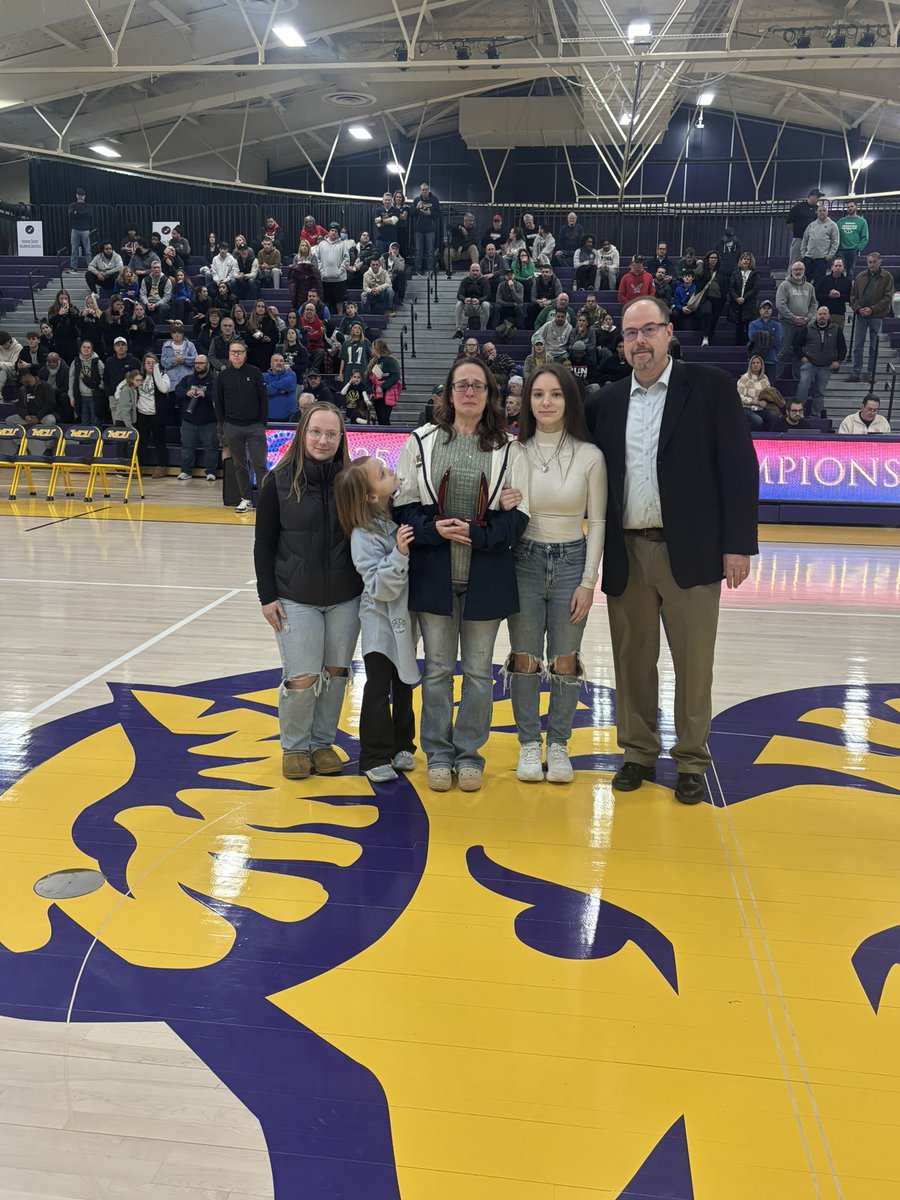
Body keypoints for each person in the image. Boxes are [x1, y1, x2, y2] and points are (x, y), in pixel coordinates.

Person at [588, 295, 759, 805]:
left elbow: (739, 467)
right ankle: (638, 752)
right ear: (621, 344)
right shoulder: (607, 401)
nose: (639, 341)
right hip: (627, 550)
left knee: (693, 662)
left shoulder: (709, 388)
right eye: (629, 334)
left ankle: (690, 758)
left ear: (668, 333)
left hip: (694, 551)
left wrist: (738, 546)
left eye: (648, 330)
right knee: (632, 660)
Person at [394, 356, 529, 793]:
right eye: (460, 385)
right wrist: (436, 529)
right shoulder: (420, 441)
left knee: (476, 672)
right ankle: (437, 752)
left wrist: (478, 533)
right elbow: (404, 506)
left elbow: (519, 520)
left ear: (490, 395)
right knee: (435, 670)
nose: (469, 392)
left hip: (485, 576)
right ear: (448, 394)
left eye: (478, 386)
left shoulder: (510, 450)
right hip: (434, 573)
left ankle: (469, 752)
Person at [506, 364, 607, 784]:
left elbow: (597, 523)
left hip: (571, 563)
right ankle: (530, 744)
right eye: (538, 395)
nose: (546, 403)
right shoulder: (514, 451)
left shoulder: (590, 455)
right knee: (525, 659)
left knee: (565, 661)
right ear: (527, 401)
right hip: (523, 561)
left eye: (556, 394)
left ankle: (560, 744)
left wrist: (588, 581)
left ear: (570, 399)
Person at [254, 402, 362, 780]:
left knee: (335, 673)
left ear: (341, 438)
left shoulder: (353, 481)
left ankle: (322, 742)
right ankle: (295, 747)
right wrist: (266, 596)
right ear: (303, 433)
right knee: (302, 677)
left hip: (346, 597)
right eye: (316, 431)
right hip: (294, 597)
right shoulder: (277, 481)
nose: (323, 440)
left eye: (331, 433)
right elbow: (263, 543)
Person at [334, 457, 419, 783]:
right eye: (382, 474)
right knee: (378, 687)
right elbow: (379, 587)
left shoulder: (395, 515)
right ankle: (373, 755)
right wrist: (399, 553)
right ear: (371, 496)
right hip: (378, 623)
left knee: (405, 683)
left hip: (403, 621)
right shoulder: (362, 535)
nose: (391, 472)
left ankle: (403, 746)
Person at [213, 340, 268, 513]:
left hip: (254, 427)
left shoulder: (255, 372)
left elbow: (263, 399)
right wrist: (224, 424)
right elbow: (218, 402)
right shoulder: (222, 376)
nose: (237, 355)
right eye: (233, 352)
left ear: (245, 353)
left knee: (260, 464)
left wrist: (262, 423)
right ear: (229, 354)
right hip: (232, 427)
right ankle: (245, 499)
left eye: (240, 351)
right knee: (239, 465)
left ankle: (266, 501)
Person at [849, 251, 894, 384]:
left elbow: (888, 297)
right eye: (870, 262)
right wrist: (858, 308)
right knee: (858, 345)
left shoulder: (887, 277)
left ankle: (871, 374)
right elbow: (853, 296)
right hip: (861, 315)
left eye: (874, 262)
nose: (872, 264)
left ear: (880, 262)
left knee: (874, 346)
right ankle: (856, 372)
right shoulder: (860, 276)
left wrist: (872, 309)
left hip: (877, 316)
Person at [793, 305, 846, 417]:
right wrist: (802, 357)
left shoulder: (836, 329)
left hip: (826, 366)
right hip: (810, 364)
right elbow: (797, 345)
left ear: (828, 316)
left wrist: (838, 361)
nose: (822, 316)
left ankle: (815, 415)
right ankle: (797, 412)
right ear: (816, 316)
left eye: (824, 314)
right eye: (820, 314)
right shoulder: (807, 328)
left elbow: (842, 347)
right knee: (803, 385)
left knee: (820, 391)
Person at [175, 354, 219, 481]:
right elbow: (177, 390)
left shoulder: (214, 380)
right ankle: (185, 471)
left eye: (201, 363)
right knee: (187, 447)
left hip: (209, 421)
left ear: (208, 365)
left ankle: (211, 472)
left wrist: (205, 394)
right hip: (189, 420)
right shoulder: (188, 379)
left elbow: (220, 395)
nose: (198, 365)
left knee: (211, 447)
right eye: (196, 363)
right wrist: (186, 392)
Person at [775, 262, 816, 379]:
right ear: (791, 271)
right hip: (787, 323)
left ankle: (797, 380)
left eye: (800, 269)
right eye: (795, 269)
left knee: (799, 354)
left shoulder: (809, 287)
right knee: (782, 352)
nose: (798, 272)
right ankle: (775, 379)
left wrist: (807, 318)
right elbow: (780, 304)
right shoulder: (784, 285)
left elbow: (814, 304)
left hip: (803, 324)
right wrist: (793, 318)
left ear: (804, 270)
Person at [135, 352, 172, 478]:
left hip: (157, 415)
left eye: (153, 362)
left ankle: (162, 466)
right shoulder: (139, 377)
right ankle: (137, 466)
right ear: (143, 364)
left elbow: (163, 389)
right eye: (148, 363)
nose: (150, 365)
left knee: (160, 442)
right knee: (141, 442)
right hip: (142, 415)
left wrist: (156, 371)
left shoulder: (163, 376)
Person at [692, 250, 728, 346]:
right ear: (708, 259)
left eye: (715, 258)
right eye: (711, 258)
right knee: (707, 313)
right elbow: (697, 275)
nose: (713, 260)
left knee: (714, 320)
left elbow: (724, 285)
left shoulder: (721, 271)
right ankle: (705, 337)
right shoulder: (703, 268)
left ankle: (708, 340)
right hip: (705, 298)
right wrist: (700, 264)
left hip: (718, 299)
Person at [799, 203, 839, 285]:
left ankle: (816, 298)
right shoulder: (811, 225)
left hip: (821, 259)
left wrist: (830, 255)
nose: (822, 212)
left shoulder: (832, 225)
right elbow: (805, 240)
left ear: (827, 212)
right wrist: (803, 254)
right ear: (817, 212)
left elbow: (835, 242)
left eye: (824, 211)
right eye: (820, 211)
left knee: (819, 282)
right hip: (808, 258)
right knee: (804, 281)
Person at [316, 224, 351, 316]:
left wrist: (339, 272)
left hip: (339, 279)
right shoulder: (322, 244)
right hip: (325, 279)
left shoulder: (343, 245)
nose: (333, 232)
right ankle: (325, 316)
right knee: (325, 300)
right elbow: (317, 259)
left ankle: (340, 316)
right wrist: (322, 272)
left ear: (338, 233)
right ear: (329, 232)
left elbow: (346, 260)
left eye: (336, 231)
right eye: (332, 230)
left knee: (339, 300)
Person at [726, 251, 759, 345]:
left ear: (751, 261)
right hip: (737, 304)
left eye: (748, 259)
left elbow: (755, 289)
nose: (746, 261)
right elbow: (731, 288)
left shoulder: (755, 274)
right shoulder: (735, 273)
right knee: (738, 327)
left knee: (749, 326)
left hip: (749, 304)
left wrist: (744, 298)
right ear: (740, 260)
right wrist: (737, 298)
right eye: (744, 259)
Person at [366, 338, 401, 425]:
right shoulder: (375, 361)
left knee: (384, 418)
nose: (372, 349)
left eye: (373, 347)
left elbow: (396, 375)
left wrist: (383, 386)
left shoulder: (390, 360)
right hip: (377, 394)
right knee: (381, 420)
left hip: (387, 393)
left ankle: (389, 436)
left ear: (378, 348)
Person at [68, 340, 104, 423]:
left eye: (88, 347)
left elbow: (103, 377)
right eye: (84, 347)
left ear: (92, 350)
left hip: (94, 397)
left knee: (95, 421)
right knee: (84, 421)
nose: (86, 349)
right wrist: (71, 396)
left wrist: (99, 388)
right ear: (80, 349)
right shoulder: (75, 362)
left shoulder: (98, 362)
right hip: (80, 397)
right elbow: (71, 379)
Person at [786, 188, 823, 266]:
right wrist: (798, 231)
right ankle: (790, 277)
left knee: (809, 262)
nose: (818, 199)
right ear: (810, 196)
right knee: (795, 260)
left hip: (812, 240)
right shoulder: (798, 207)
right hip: (799, 238)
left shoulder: (818, 209)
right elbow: (789, 223)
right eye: (817, 197)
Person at [454, 263, 492, 336]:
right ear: (470, 271)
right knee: (459, 303)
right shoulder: (465, 280)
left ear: (480, 271)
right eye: (473, 270)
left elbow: (487, 295)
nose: (475, 272)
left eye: (477, 270)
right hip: (468, 306)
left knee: (486, 304)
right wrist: (464, 299)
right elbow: (459, 294)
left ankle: (483, 329)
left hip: (479, 306)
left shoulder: (484, 281)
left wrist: (479, 300)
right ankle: (459, 329)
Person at [411, 182, 441, 273]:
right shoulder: (416, 200)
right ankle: (417, 269)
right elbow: (411, 214)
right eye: (423, 190)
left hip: (430, 229)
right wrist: (417, 207)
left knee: (430, 250)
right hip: (419, 229)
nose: (424, 191)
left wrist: (430, 214)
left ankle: (430, 269)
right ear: (420, 190)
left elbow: (438, 214)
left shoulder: (434, 199)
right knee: (418, 250)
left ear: (429, 190)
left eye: (426, 189)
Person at [736, 354, 773, 429]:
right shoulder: (744, 378)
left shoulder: (765, 378)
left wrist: (766, 401)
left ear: (761, 365)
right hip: (747, 408)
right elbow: (741, 397)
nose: (755, 365)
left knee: (773, 415)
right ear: (750, 365)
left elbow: (769, 393)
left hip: (761, 408)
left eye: (758, 363)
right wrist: (756, 402)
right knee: (758, 421)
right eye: (753, 363)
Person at [746, 298, 782, 371]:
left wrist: (761, 336)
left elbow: (777, 341)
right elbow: (753, 338)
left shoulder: (777, 325)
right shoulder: (753, 324)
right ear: (760, 311)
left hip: (771, 360)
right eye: (764, 308)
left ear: (771, 311)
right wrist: (770, 335)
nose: (766, 310)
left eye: (769, 308)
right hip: (756, 361)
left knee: (770, 382)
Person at [245, 299, 279, 372]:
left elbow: (276, 339)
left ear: (265, 309)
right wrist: (260, 340)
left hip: (267, 355)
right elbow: (247, 340)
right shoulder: (250, 323)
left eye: (262, 307)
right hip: (253, 356)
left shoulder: (271, 322)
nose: (260, 308)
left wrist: (269, 339)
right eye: (258, 306)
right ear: (255, 308)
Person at [263, 352, 299, 422]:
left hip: (289, 420)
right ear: (271, 364)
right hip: (268, 420)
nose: (279, 363)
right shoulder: (264, 376)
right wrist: (281, 390)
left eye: (281, 361)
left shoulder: (291, 374)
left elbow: (289, 384)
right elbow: (264, 390)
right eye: (276, 361)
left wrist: (271, 388)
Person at [814, 257, 851, 327]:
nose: (838, 268)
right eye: (836, 266)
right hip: (824, 314)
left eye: (840, 266)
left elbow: (850, 297)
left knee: (838, 336)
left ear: (843, 268)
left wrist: (840, 295)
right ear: (832, 267)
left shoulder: (847, 282)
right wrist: (828, 295)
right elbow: (817, 295)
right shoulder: (823, 280)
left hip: (839, 314)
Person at [836, 199, 868, 277]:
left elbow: (864, 237)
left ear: (856, 207)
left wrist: (858, 248)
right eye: (848, 207)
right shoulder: (840, 221)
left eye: (851, 206)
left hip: (853, 250)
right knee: (839, 270)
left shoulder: (862, 221)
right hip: (841, 250)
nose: (850, 208)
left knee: (850, 271)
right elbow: (835, 235)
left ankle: (848, 288)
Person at [68, 187, 93, 271]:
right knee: (74, 250)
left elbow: (89, 215)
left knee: (88, 250)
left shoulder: (88, 206)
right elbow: (71, 214)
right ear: (76, 195)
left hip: (85, 229)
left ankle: (90, 267)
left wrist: (77, 213)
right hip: (75, 229)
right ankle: (73, 267)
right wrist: (82, 213)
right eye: (79, 195)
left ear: (84, 196)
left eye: (82, 195)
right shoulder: (72, 205)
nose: (80, 196)